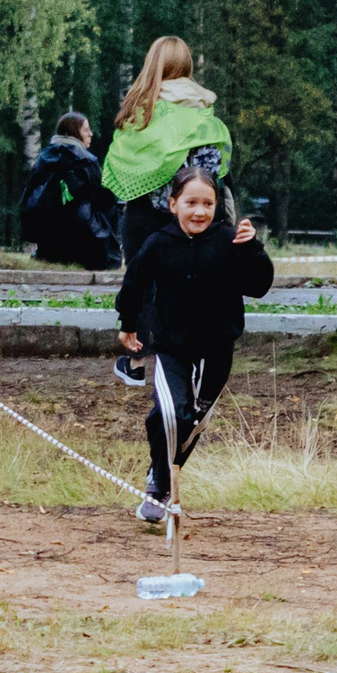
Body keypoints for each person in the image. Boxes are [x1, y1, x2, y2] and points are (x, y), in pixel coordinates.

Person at [115, 164, 273, 525]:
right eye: (191, 203)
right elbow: (134, 284)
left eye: (208, 203)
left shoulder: (229, 240)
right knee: (171, 414)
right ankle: (158, 487)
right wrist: (127, 324)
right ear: (173, 204)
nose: (200, 211)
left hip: (217, 348)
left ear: (217, 205)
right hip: (172, 345)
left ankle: (163, 480)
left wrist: (253, 249)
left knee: (192, 421)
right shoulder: (158, 244)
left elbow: (259, 286)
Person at [104, 36, 231, 265]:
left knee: (143, 294)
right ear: (187, 65)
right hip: (195, 223)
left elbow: (120, 169)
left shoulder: (137, 116)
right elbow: (214, 172)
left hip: (142, 222)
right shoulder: (203, 111)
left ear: (151, 64)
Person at [18, 111, 121, 271]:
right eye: (86, 130)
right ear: (73, 132)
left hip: (48, 235)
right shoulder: (86, 160)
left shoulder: (44, 157)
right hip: (82, 234)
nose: (91, 134)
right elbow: (105, 198)